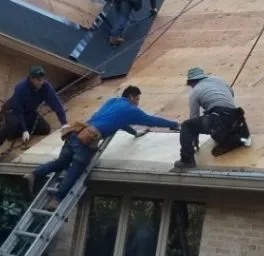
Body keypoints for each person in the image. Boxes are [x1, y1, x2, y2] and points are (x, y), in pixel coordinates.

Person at [27, 85, 179, 209]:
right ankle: (56, 200)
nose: (138, 102)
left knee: (62, 162)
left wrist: (134, 133)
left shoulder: (112, 101)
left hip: (75, 132)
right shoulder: (131, 110)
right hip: (87, 139)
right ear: (131, 97)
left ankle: (34, 174)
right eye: (137, 99)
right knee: (76, 169)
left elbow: (119, 122)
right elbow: (151, 120)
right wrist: (173, 124)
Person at [174, 67, 250, 170]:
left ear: (191, 82)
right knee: (217, 128)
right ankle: (232, 139)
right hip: (236, 118)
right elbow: (231, 94)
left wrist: (195, 140)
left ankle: (187, 160)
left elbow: (194, 117)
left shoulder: (195, 91)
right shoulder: (218, 79)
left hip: (218, 119)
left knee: (186, 125)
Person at [0, 66, 67, 157]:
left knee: (45, 129)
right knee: (12, 125)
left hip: (30, 113)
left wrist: (64, 123)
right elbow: (18, 111)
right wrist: (24, 130)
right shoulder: (21, 88)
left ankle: (19, 131)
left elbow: (56, 104)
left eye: (42, 79)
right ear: (31, 79)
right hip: (14, 112)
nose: (41, 82)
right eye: (38, 80)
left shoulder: (46, 87)